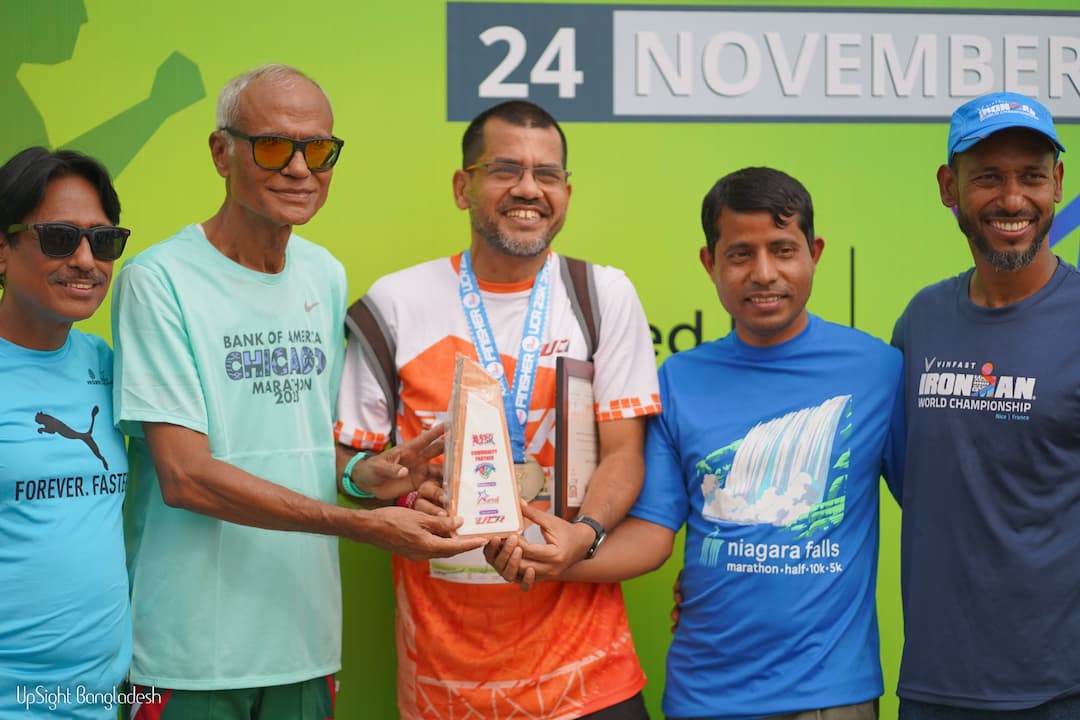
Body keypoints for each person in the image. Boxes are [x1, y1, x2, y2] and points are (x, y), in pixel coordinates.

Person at [111, 64, 483, 720]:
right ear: (221, 152)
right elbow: (186, 478)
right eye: (273, 146)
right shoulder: (158, 280)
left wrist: (365, 475)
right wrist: (361, 525)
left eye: (319, 150)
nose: (299, 169)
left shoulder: (323, 273)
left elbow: (303, 448)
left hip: (306, 644)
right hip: (189, 653)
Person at [492, 166, 905, 720]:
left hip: (829, 696)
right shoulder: (678, 380)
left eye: (783, 250)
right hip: (703, 694)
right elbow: (653, 534)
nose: (764, 273)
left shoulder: (878, 370)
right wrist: (554, 558)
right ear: (710, 263)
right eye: (740, 254)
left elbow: (932, 509)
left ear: (815, 253)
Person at [334, 100, 661, 719]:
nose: (529, 189)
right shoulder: (394, 304)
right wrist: (379, 484)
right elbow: (348, 469)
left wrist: (585, 536)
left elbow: (624, 454)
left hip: (589, 679)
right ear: (464, 187)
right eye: (505, 170)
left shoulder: (603, 294)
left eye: (548, 174)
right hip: (443, 685)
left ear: (567, 192)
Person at [892, 93, 1079, 718]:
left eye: (1032, 176)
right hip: (933, 684)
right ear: (949, 187)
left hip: (1061, 688)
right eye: (988, 177)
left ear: (1058, 183)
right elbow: (903, 475)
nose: (1013, 199)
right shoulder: (922, 320)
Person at [0, 147, 132, 717]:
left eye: (103, 242)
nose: (85, 260)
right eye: (59, 238)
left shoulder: (109, 365)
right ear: (3, 249)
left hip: (102, 696)